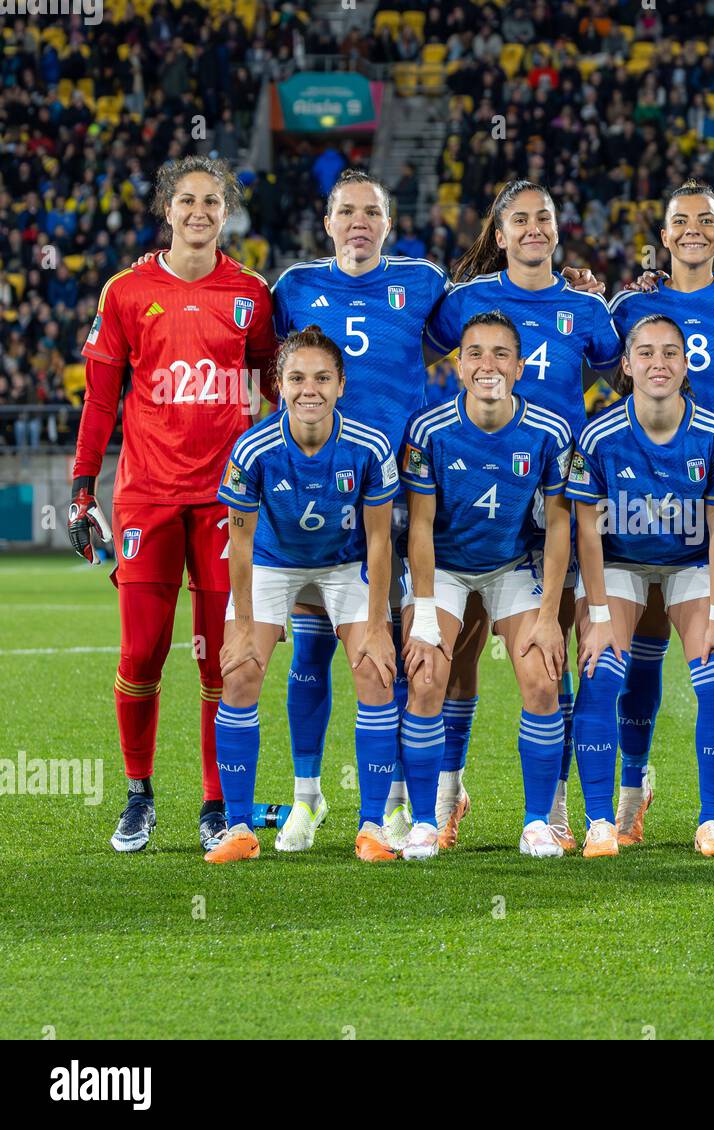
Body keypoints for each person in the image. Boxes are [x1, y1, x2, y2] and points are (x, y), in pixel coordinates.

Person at [270, 170, 603, 851]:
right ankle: (318, 799)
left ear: (389, 224)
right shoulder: (293, 288)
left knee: (514, 654)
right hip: (349, 494)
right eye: (346, 211)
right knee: (348, 648)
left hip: (487, 500)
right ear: (328, 220)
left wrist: (599, 291)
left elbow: (610, 359)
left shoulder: (425, 283)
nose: (359, 222)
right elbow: (268, 355)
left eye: (372, 211)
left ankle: (461, 805)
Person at [69, 156, 278, 854]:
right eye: (187, 200)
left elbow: (273, 390)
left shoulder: (251, 293)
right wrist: (80, 488)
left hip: (225, 502)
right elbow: (101, 399)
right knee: (142, 650)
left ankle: (217, 804)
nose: (199, 211)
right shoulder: (127, 291)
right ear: (167, 210)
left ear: (227, 212)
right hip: (147, 497)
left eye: (211, 201)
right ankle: (139, 795)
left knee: (222, 658)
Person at [423, 179, 622, 850]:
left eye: (544, 217)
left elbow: (628, 378)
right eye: (520, 219)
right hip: (472, 492)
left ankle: (554, 810)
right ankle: (447, 795)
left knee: (547, 650)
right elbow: (413, 355)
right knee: (459, 649)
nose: (534, 227)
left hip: (553, 500)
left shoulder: (586, 309)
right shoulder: (468, 303)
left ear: (557, 230)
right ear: (500, 235)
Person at [606, 178, 714, 847]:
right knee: (642, 653)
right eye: (680, 220)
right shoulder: (632, 304)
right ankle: (632, 788)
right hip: (644, 500)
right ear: (663, 233)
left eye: (704, 220)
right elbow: (601, 372)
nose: (692, 230)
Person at [207, 327, 400, 863]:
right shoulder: (254, 448)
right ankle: (240, 829)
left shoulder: (370, 445)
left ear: (341, 384)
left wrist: (380, 625)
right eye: (296, 378)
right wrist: (244, 623)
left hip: (345, 565)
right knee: (240, 671)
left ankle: (372, 827)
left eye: (321, 378)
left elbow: (381, 541)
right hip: (274, 562)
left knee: (375, 671)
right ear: (278, 385)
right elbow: (240, 543)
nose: (308, 389)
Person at [399, 311, 574, 859]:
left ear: (520, 366)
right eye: (475, 352)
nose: (488, 364)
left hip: (511, 564)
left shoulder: (549, 432)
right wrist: (424, 611)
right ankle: (425, 820)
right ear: (458, 364)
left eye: (501, 354)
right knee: (426, 676)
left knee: (544, 676)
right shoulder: (428, 431)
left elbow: (561, 525)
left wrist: (548, 615)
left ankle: (536, 822)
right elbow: (421, 527)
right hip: (445, 568)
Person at [566, 314, 714, 857]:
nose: (658, 363)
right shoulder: (597, 435)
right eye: (645, 353)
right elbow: (588, 534)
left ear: (686, 363)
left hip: (691, 564)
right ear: (625, 365)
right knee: (599, 671)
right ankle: (601, 819)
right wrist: (596, 618)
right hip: (620, 562)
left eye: (670, 352)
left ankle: (713, 818)